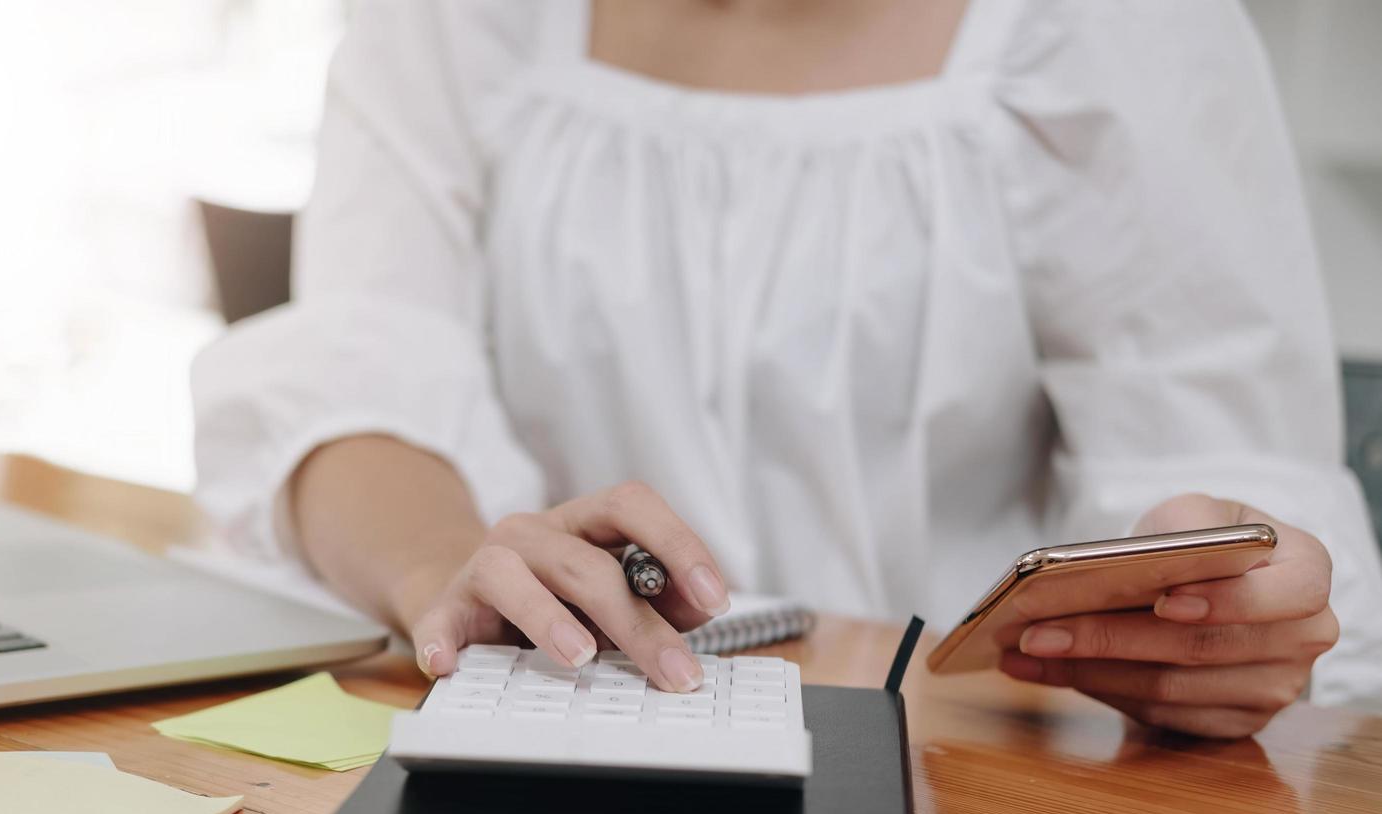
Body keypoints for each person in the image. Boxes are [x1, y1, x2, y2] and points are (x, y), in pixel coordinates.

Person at [192, 0, 1382, 737]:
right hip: (550, 732)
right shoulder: (458, 19)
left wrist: (1210, 608)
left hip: (971, 797)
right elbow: (356, 368)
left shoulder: (1123, 30)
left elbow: (1213, 466)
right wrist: (445, 569)